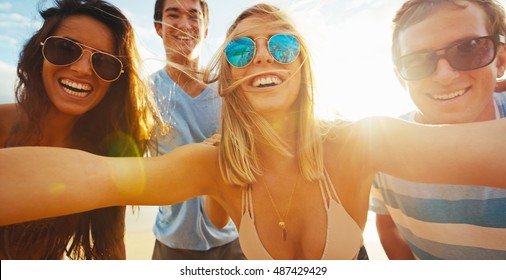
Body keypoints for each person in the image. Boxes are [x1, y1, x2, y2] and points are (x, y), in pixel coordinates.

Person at [1, 3, 506, 260]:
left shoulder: (359, 140)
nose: (262, 55)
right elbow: (103, 177)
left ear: (302, 61)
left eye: (282, 45)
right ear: (232, 77)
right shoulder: (213, 162)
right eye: (241, 50)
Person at [0, 0, 159, 259]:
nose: (82, 69)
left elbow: (112, 247)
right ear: (39, 52)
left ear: (116, 82)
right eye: (65, 49)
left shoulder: (105, 152)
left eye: (104, 62)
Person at [370, 0, 506, 260]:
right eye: (418, 61)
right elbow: (389, 227)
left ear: (499, 60)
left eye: (469, 49)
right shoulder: (383, 142)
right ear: (401, 78)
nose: (445, 75)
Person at [148, 0, 244, 260]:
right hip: (171, 246)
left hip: (233, 243)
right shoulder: (144, 93)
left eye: (194, 16)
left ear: (205, 29)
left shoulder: (230, 91)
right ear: (158, 27)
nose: (184, 24)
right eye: (173, 15)